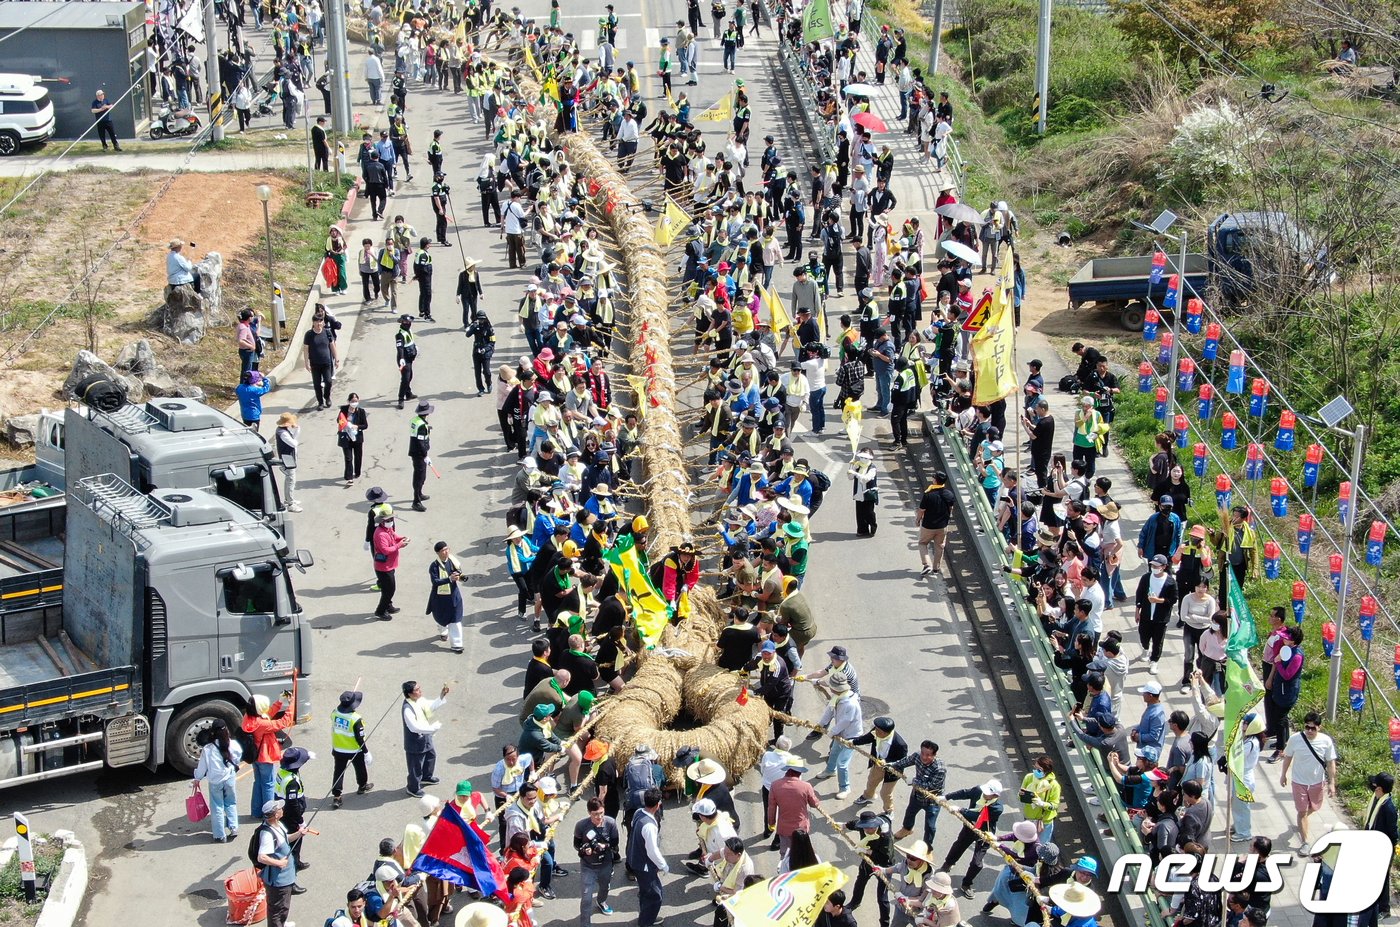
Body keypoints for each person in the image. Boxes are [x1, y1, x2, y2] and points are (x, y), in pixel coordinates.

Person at [1280, 711, 1337, 851]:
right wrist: (1283, 774)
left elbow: (1330, 762)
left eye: (1313, 728)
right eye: (1307, 727)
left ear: (1319, 727)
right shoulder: (1295, 739)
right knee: (1302, 812)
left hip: (1317, 782)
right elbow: (1288, 757)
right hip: (1299, 782)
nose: (1309, 731)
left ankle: (1301, 818)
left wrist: (1331, 783)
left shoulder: (1326, 741)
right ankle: (1305, 842)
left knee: (1315, 807)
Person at [938, 778, 1003, 898]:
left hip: (984, 834)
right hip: (969, 827)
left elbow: (979, 817)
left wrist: (961, 810)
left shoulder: (997, 808)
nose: (985, 794)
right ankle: (947, 865)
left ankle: (966, 884)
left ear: (995, 795)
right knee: (958, 846)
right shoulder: (978, 791)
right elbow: (964, 793)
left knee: (977, 863)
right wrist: (947, 797)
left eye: (988, 793)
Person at [255, 798, 304, 927]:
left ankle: (282, 922)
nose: (283, 809)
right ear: (276, 814)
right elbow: (262, 857)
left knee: (284, 906)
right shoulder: (267, 834)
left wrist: (299, 834)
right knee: (276, 910)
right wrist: (278, 863)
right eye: (280, 808)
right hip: (278, 881)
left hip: (285, 877)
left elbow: (285, 840)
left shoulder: (278, 825)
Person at [192, 718, 242, 842]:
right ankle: (234, 827)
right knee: (231, 802)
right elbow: (237, 758)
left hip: (215, 781)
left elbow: (202, 767)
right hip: (229, 777)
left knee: (217, 807)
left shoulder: (208, 749)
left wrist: (197, 778)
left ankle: (220, 835)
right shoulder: (233, 744)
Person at [243, 693, 294, 815]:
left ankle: (256, 812)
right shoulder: (261, 724)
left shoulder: (249, 718)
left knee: (258, 783)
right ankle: (269, 814)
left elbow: (267, 715)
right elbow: (284, 722)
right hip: (265, 758)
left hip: (255, 756)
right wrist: (291, 704)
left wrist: (279, 702)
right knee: (268, 785)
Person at [890, 740, 946, 846]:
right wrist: (892, 765)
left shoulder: (939, 769)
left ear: (934, 755)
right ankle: (907, 829)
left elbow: (932, 786)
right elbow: (905, 761)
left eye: (928, 755)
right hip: (916, 795)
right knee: (910, 813)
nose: (924, 757)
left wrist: (914, 781)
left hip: (932, 800)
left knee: (930, 826)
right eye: (923, 753)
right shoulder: (917, 756)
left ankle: (926, 847)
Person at [575, 797, 619, 924]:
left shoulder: (610, 823)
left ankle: (601, 902)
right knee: (586, 898)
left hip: (605, 864)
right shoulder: (581, 825)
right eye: (595, 814)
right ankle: (585, 924)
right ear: (589, 813)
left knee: (604, 888)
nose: (599, 817)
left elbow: (615, 844)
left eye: (601, 813)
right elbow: (576, 844)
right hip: (588, 866)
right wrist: (585, 849)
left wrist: (605, 846)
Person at [401, 680, 449, 798]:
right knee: (415, 766)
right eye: (417, 690)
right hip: (415, 742)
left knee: (430, 756)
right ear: (409, 694)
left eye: (419, 688)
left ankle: (426, 777)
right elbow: (414, 727)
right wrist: (432, 728)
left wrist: (442, 695)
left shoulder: (419, 700)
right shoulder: (408, 708)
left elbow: (430, 707)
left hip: (426, 736)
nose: (420, 691)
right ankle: (412, 788)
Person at [845, 810, 893, 925]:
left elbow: (885, 856)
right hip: (868, 861)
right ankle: (855, 902)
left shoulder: (885, 835)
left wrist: (866, 851)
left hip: (884, 866)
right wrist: (842, 826)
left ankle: (885, 922)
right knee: (860, 881)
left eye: (869, 827)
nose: (866, 830)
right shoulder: (862, 826)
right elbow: (854, 824)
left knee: (882, 897)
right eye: (864, 827)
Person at [628, 788, 667, 927]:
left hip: (635, 858)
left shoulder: (639, 813)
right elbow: (652, 851)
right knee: (655, 895)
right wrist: (663, 865)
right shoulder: (649, 826)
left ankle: (645, 916)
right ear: (658, 804)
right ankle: (646, 922)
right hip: (644, 865)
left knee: (645, 892)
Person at [1133, 554, 1178, 675]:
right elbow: (1140, 593)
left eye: (1157, 566)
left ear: (1163, 567)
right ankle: (1145, 649)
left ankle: (1154, 661)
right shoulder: (1146, 578)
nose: (1154, 567)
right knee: (1143, 635)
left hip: (1161, 617)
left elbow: (1173, 599)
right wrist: (1137, 610)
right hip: (1146, 614)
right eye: (1153, 565)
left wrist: (1158, 600)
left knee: (1158, 640)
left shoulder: (1170, 582)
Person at [329, 689, 372, 810]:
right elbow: (360, 738)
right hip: (354, 750)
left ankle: (337, 796)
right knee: (360, 768)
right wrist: (366, 752)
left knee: (338, 772)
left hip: (338, 749)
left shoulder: (334, 713)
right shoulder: (356, 718)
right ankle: (362, 786)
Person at [768, 759, 820, 857]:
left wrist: (771, 823)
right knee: (803, 853)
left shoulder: (775, 785)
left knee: (785, 854)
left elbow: (771, 808)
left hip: (784, 828)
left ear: (787, 770)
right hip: (801, 827)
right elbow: (814, 804)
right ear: (799, 772)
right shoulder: (806, 786)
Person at [427, 541, 466, 653]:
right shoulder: (434, 566)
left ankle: (457, 644)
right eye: (443, 550)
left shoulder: (452, 561)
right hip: (440, 598)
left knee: (456, 619)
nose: (446, 552)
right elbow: (435, 582)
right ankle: (443, 630)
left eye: (447, 549)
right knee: (441, 617)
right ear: (438, 553)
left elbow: (458, 573)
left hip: (454, 596)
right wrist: (449, 579)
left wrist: (462, 577)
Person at [916, 472, 955, 576]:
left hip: (928, 525)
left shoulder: (928, 495)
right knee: (939, 546)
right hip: (942, 526)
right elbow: (951, 508)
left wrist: (918, 520)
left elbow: (921, 510)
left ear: (935, 480)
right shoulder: (949, 494)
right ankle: (936, 569)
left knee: (922, 543)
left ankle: (926, 564)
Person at [302, 313, 338, 410]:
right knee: (317, 384)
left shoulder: (327, 332)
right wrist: (306, 362)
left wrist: (336, 358)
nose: (319, 323)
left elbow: (332, 346)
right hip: (315, 364)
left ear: (323, 322)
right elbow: (306, 349)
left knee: (328, 381)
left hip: (326, 362)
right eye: (316, 321)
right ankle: (320, 402)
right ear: (313, 322)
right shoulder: (309, 335)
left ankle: (327, 397)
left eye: (320, 321)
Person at [338, 393, 368, 486]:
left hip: (357, 438)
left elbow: (365, 425)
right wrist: (345, 424)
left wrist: (357, 426)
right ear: (348, 401)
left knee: (358, 456)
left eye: (356, 401)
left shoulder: (361, 411)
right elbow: (338, 420)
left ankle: (357, 472)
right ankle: (349, 477)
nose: (354, 403)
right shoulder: (343, 410)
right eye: (352, 401)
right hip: (346, 437)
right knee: (348, 458)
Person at [408, 399, 433, 512]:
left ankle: (419, 493)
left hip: (414, 451)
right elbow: (421, 442)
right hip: (419, 453)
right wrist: (425, 456)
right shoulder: (422, 426)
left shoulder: (415, 420)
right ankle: (416, 501)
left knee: (418, 475)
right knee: (420, 477)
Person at [395, 315, 419, 409]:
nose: (408, 324)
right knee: (405, 379)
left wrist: (415, 347)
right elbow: (399, 348)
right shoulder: (400, 335)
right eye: (406, 322)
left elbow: (411, 341)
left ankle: (408, 393)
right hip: (404, 359)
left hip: (410, 357)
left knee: (410, 376)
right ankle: (401, 399)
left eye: (409, 322)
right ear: (402, 323)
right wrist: (401, 359)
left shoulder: (408, 331)